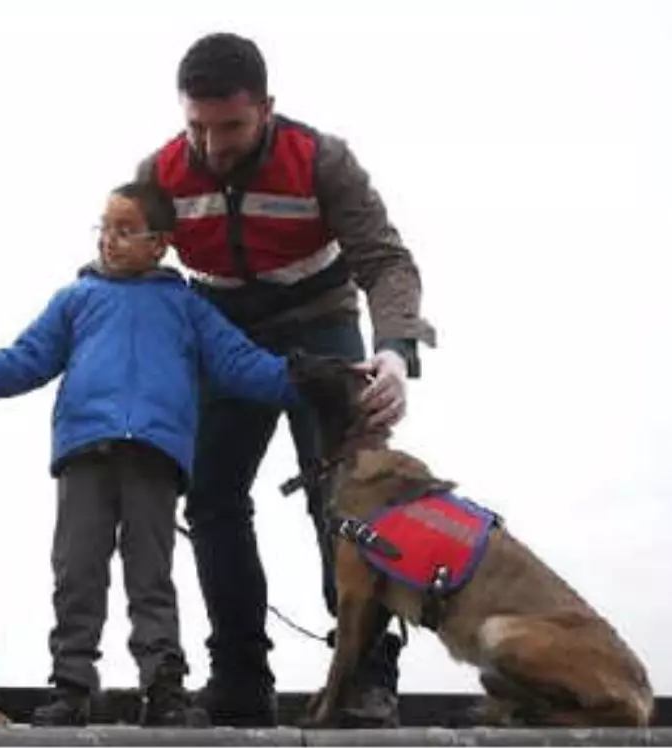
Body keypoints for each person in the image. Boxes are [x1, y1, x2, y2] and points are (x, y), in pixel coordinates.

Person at [133, 32, 438, 727]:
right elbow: (132, 266)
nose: (213, 147)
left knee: (346, 497)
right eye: (196, 128)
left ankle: (364, 673)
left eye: (231, 126)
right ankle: (238, 674)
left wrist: (393, 350)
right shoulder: (160, 171)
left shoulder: (323, 159)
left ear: (267, 108)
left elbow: (387, 262)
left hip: (320, 325)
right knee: (210, 496)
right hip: (223, 334)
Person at [0, 181, 309, 728]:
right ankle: (72, 685)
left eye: (125, 230)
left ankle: (163, 688)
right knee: (77, 570)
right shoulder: (75, 299)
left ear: (159, 244)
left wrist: (306, 380)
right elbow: (24, 360)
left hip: (154, 455)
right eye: (105, 228)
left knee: (151, 575)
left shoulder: (186, 307)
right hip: (84, 452)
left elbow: (241, 363)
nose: (110, 240)